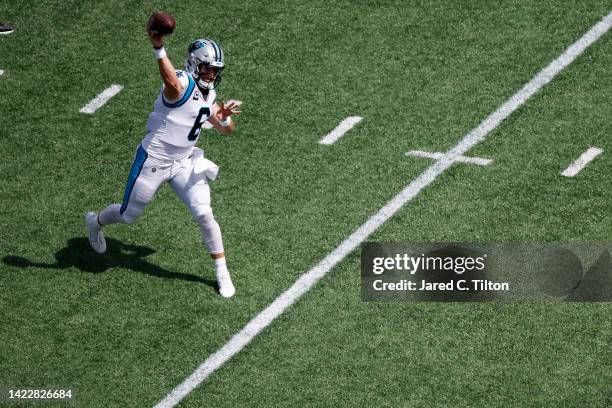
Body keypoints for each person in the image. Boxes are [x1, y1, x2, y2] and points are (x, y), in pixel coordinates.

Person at [85, 24, 241, 298]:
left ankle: (221, 270)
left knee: (204, 213)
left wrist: (225, 116)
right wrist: (159, 48)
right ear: (194, 65)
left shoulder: (210, 93)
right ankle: (96, 222)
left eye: (216, 70)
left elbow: (226, 129)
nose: (212, 74)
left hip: (184, 161)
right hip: (154, 158)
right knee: (128, 215)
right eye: (208, 68)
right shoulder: (181, 82)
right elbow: (172, 83)